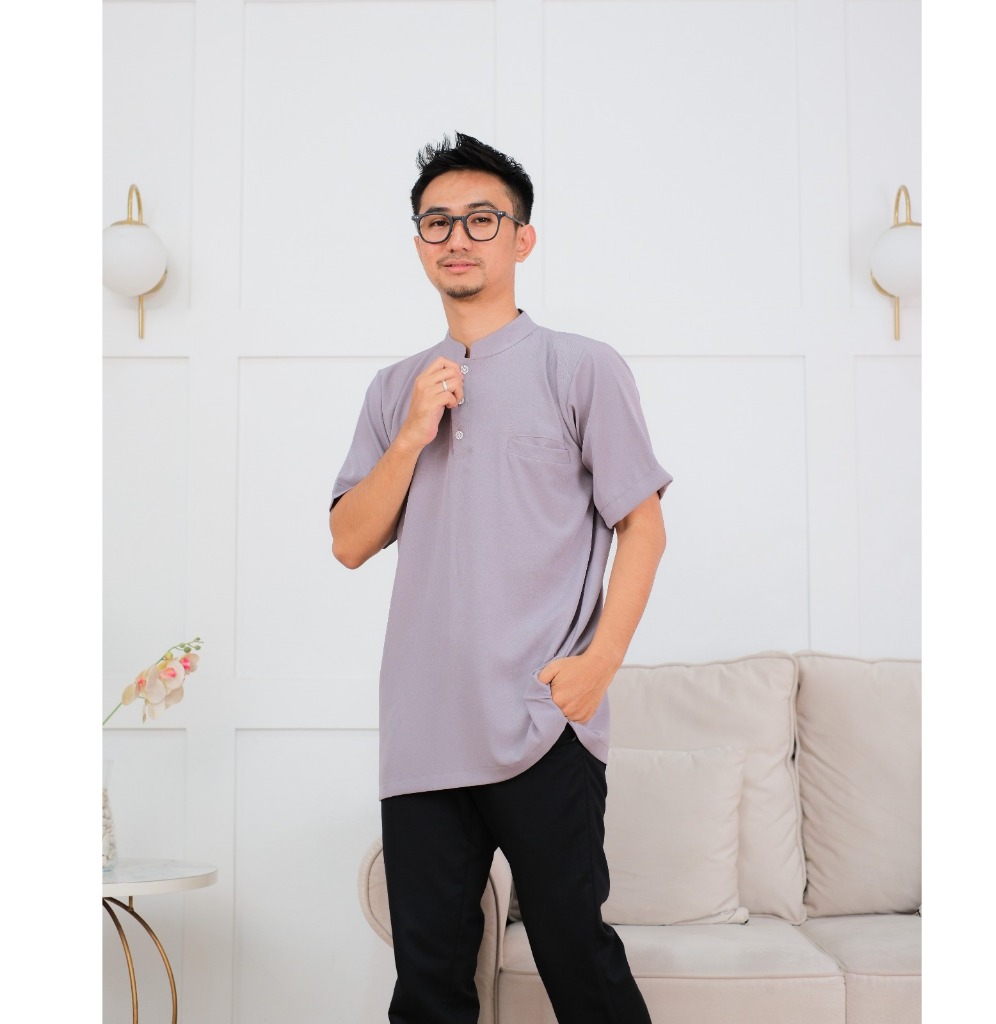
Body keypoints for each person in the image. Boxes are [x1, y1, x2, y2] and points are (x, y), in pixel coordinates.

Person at [330, 132, 671, 1024]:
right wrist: (412, 435)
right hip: (422, 732)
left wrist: (597, 667)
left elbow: (643, 526)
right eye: (437, 222)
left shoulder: (580, 366)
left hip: (541, 719)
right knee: (429, 986)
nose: (458, 237)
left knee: (575, 959)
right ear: (418, 243)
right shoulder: (394, 388)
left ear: (522, 238)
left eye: (482, 219)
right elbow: (349, 541)